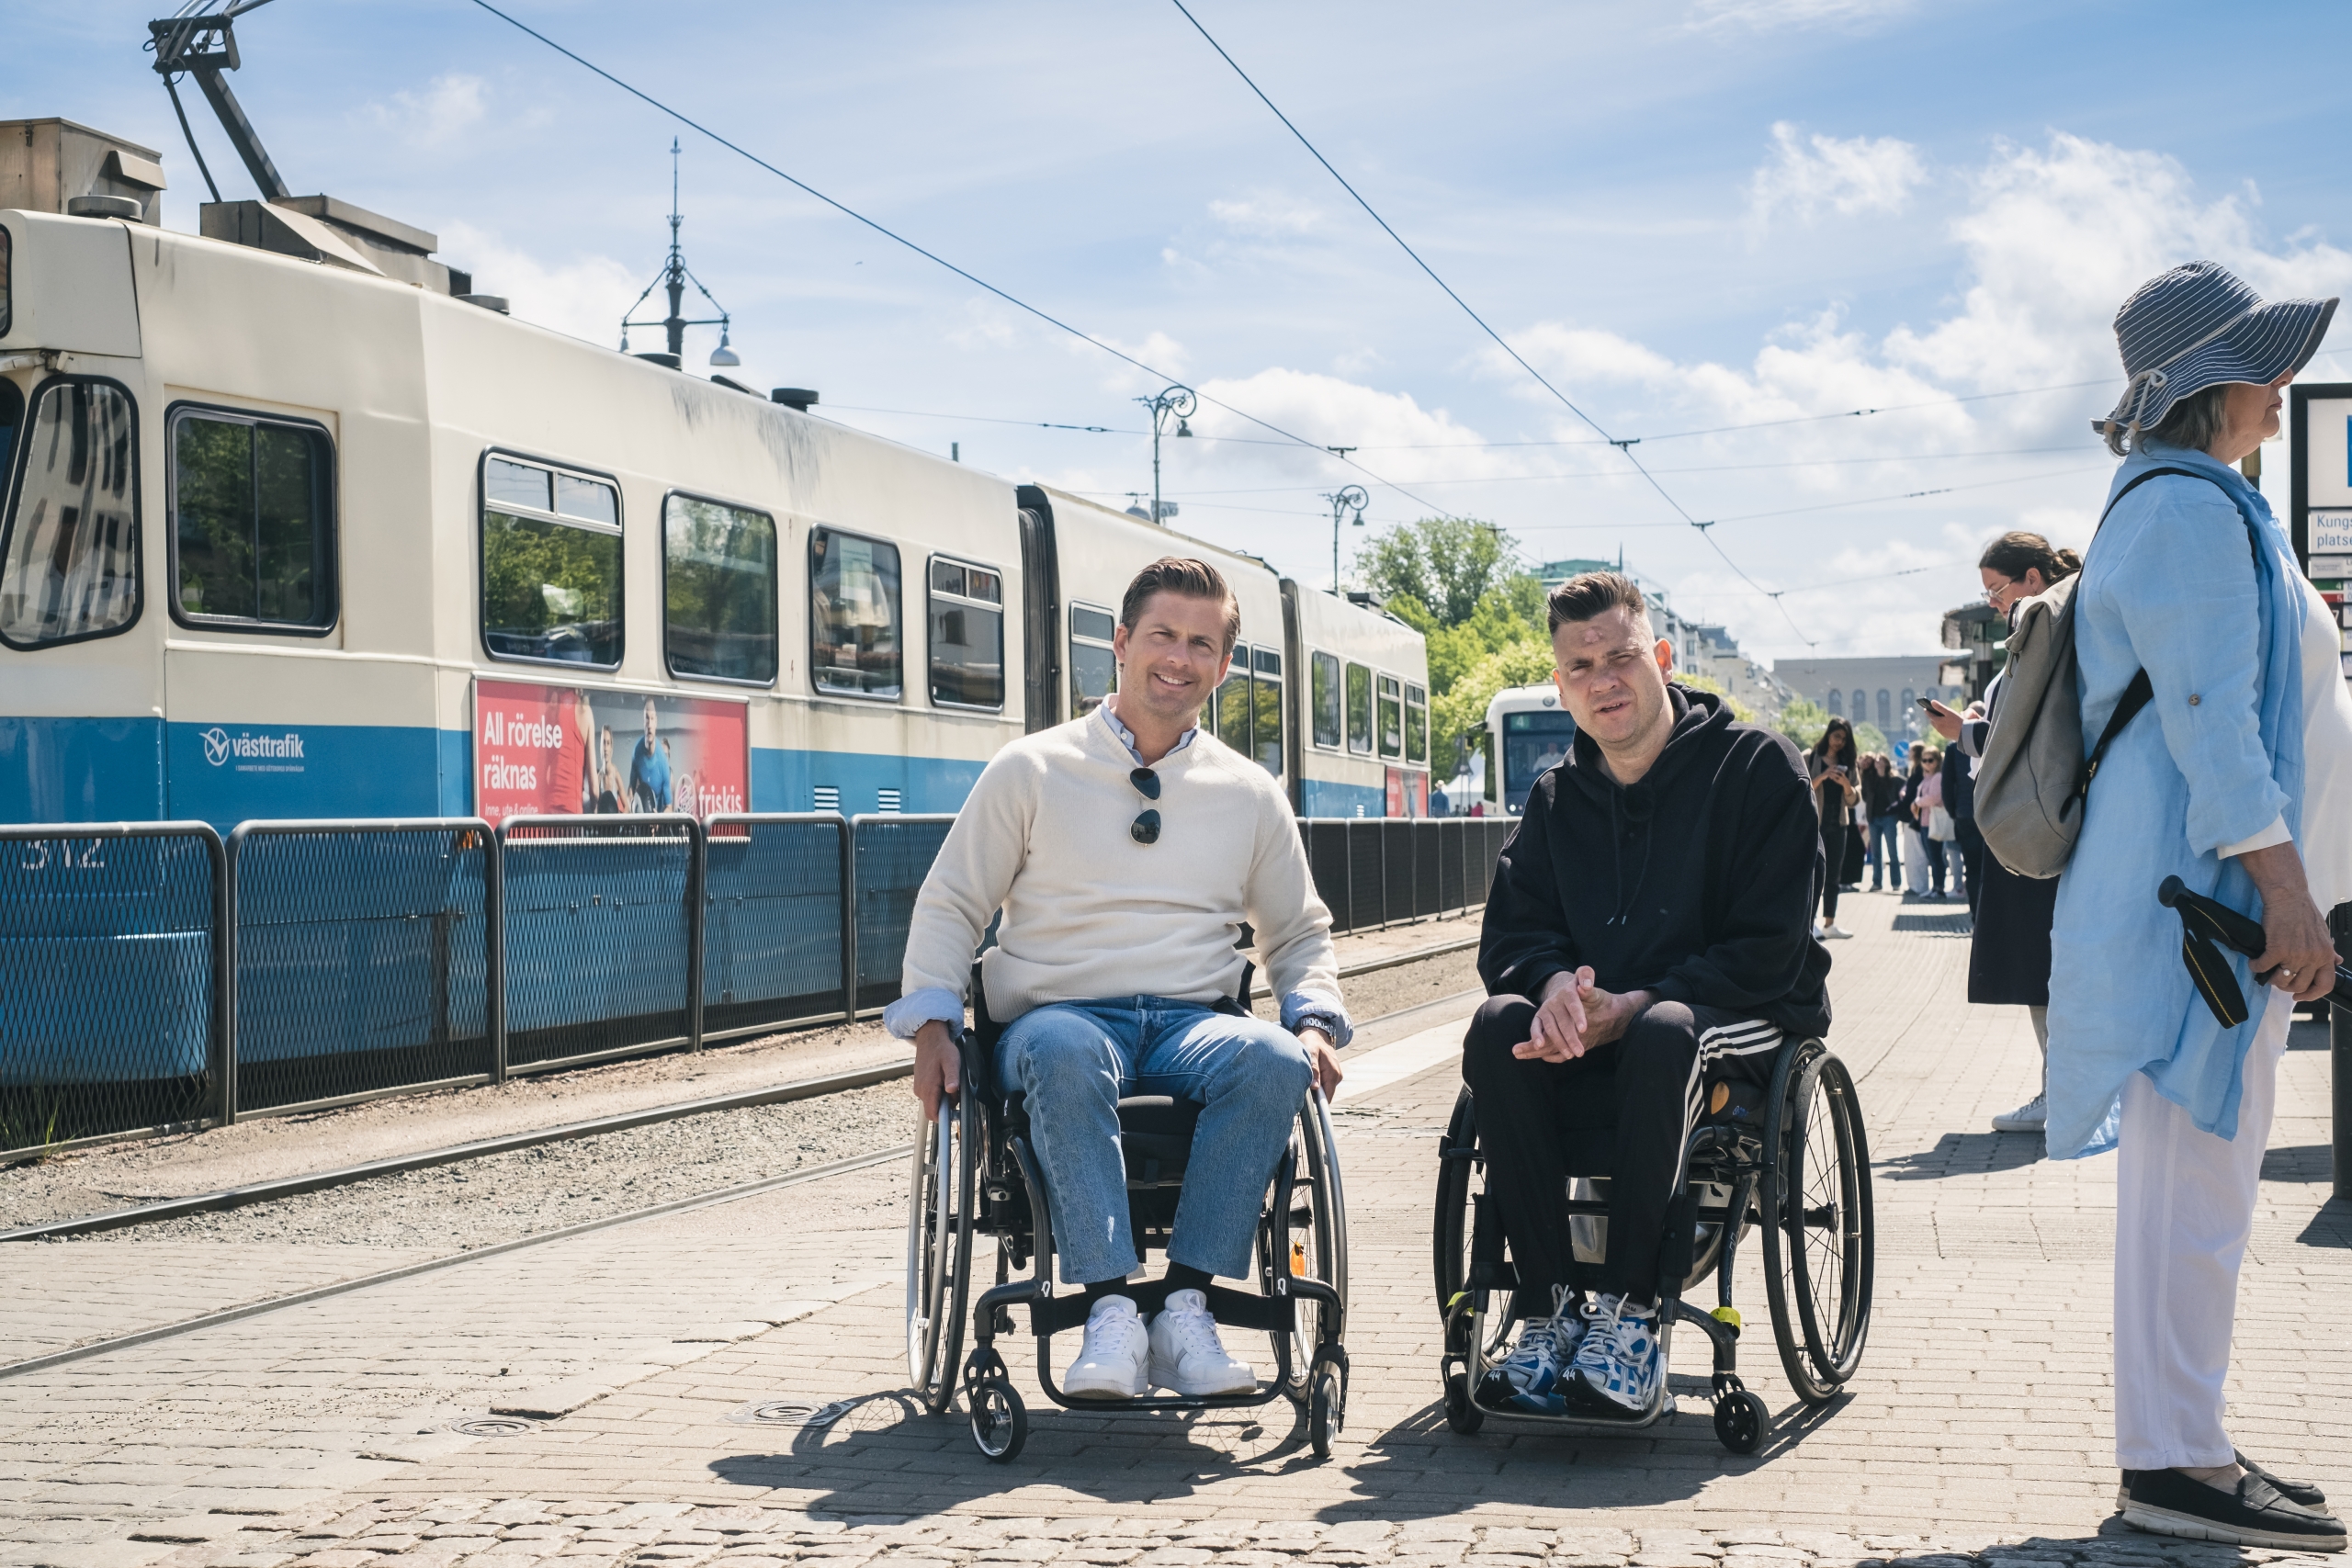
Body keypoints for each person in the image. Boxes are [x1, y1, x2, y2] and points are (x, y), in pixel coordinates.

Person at [892, 557, 1349, 1402]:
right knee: (1064, 1046)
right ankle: (1107, 1311)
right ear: (1121, 643)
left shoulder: (1249, 792)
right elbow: (953, 901)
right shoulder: (1030, 769)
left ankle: (1185, 1309)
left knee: (1275, 1061)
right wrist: (930, 1025)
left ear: (1222, 662)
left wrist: (1314, 1018)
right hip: (1059, 1015)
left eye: (1202, 643)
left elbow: (1299, 931)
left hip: (1191, 1023)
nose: (1179, 657)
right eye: (1163, 635)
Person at [2052, 261, 2344, 1549]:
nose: (2281, 388)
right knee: (2191, 1191)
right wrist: (2293, 898)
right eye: (2264, 364)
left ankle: (2188, 1442)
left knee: (2201, 1188)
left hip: (2210, 911)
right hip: (2208, 917)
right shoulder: (2181, 510)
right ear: (2209, 382)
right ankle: (2172, 1459)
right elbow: (2216, 725)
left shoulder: (2201, 501)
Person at [1463, 570, 1831, 1416]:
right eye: (1581, 665)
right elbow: (1513, 933)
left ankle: (1631, 1314)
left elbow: (1770, 946)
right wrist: (1558, 990)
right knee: (1497, 1027)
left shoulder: (1757, 768)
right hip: (1600, 1035)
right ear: (1561, 685)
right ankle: (1549, 1312)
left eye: (1621, 656)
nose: (1604, 680)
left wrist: (1631, 1007)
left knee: (1666, 1029)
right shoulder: (1556, 797)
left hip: (1734, 1019)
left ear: (1660, 657)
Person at [1929, 533, 2084, 1134]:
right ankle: (2063, 1089)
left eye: (1998, 588)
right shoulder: (2049, 623)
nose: (1993, 602)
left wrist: (1966, 735)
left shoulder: (2044, 625)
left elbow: (2030, 733)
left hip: (2037, 823)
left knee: (2040, 964)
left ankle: (2062, 1093)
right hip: (2036, 818)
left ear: (2032, 578)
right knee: (2039, 964)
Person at [1806, 719, 1860, 940]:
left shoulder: (1848, 762)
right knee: (1812, 874)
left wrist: (1845, 784)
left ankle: (1830, 923)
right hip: (1814, 824)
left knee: (1833, 875)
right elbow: (1801, 786)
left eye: (1844, 739)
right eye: (1836, 736)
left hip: (1838, 823)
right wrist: (1823, 776)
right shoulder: (1810, 756)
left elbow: (1855, 798)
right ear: (1828, 734)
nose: (1840, 742)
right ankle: (1810, 924)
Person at [1942, 727, 1984, 919]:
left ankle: (1977, 916)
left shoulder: (1953, 748)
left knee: (1973, 870)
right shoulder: (1993, 736)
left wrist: (1954, 812)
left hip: (1965, 815)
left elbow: (1947, 785)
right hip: (1989, 814)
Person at [1863, 752, 1905, 893]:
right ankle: (1877, 883)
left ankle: (1896, 883)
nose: (1878, 762)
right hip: (1873, 819)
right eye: (1876, 761)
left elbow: (1905, 789)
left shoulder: (1895, 780)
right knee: (1876, 853)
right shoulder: (1869, 779)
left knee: (1893, 852)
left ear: (1886, 763)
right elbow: (1864, 796)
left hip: (1889, 818)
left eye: (1881, 760)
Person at [1912, 748, 1951, 898]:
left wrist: (1917, 802)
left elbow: (1934, 797)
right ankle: (1935, 887)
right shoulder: (1926, 777)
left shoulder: (1938, 777)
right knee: (1931, 856)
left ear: (1937, 761)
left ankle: (1939, 887)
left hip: (1932, 821)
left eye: (1930, 760)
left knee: (1936, 856)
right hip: (1924, 821)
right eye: (1924, 760)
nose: (1927, 763)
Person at [1899, 748, 1934, 897]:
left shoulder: (1920, 771)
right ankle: (1915, 884)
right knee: (1912, 853)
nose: (1908, 753)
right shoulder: (1916, 771)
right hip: (1911, 816)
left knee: (1916, 853)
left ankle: (1919, 886)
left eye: (1911, 750)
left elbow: (1917, 792)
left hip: (1914, 816)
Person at [628, 699, 672, 813]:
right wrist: (632, 803)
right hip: (640, 820)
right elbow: (631, 788)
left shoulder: (663, 761)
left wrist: (659, 819)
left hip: (659, 821)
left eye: (652, 719)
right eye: (647, 718)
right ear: (643, 722)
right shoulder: (637, 752)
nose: (649, 725)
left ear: (656, 722)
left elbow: (669, 807)